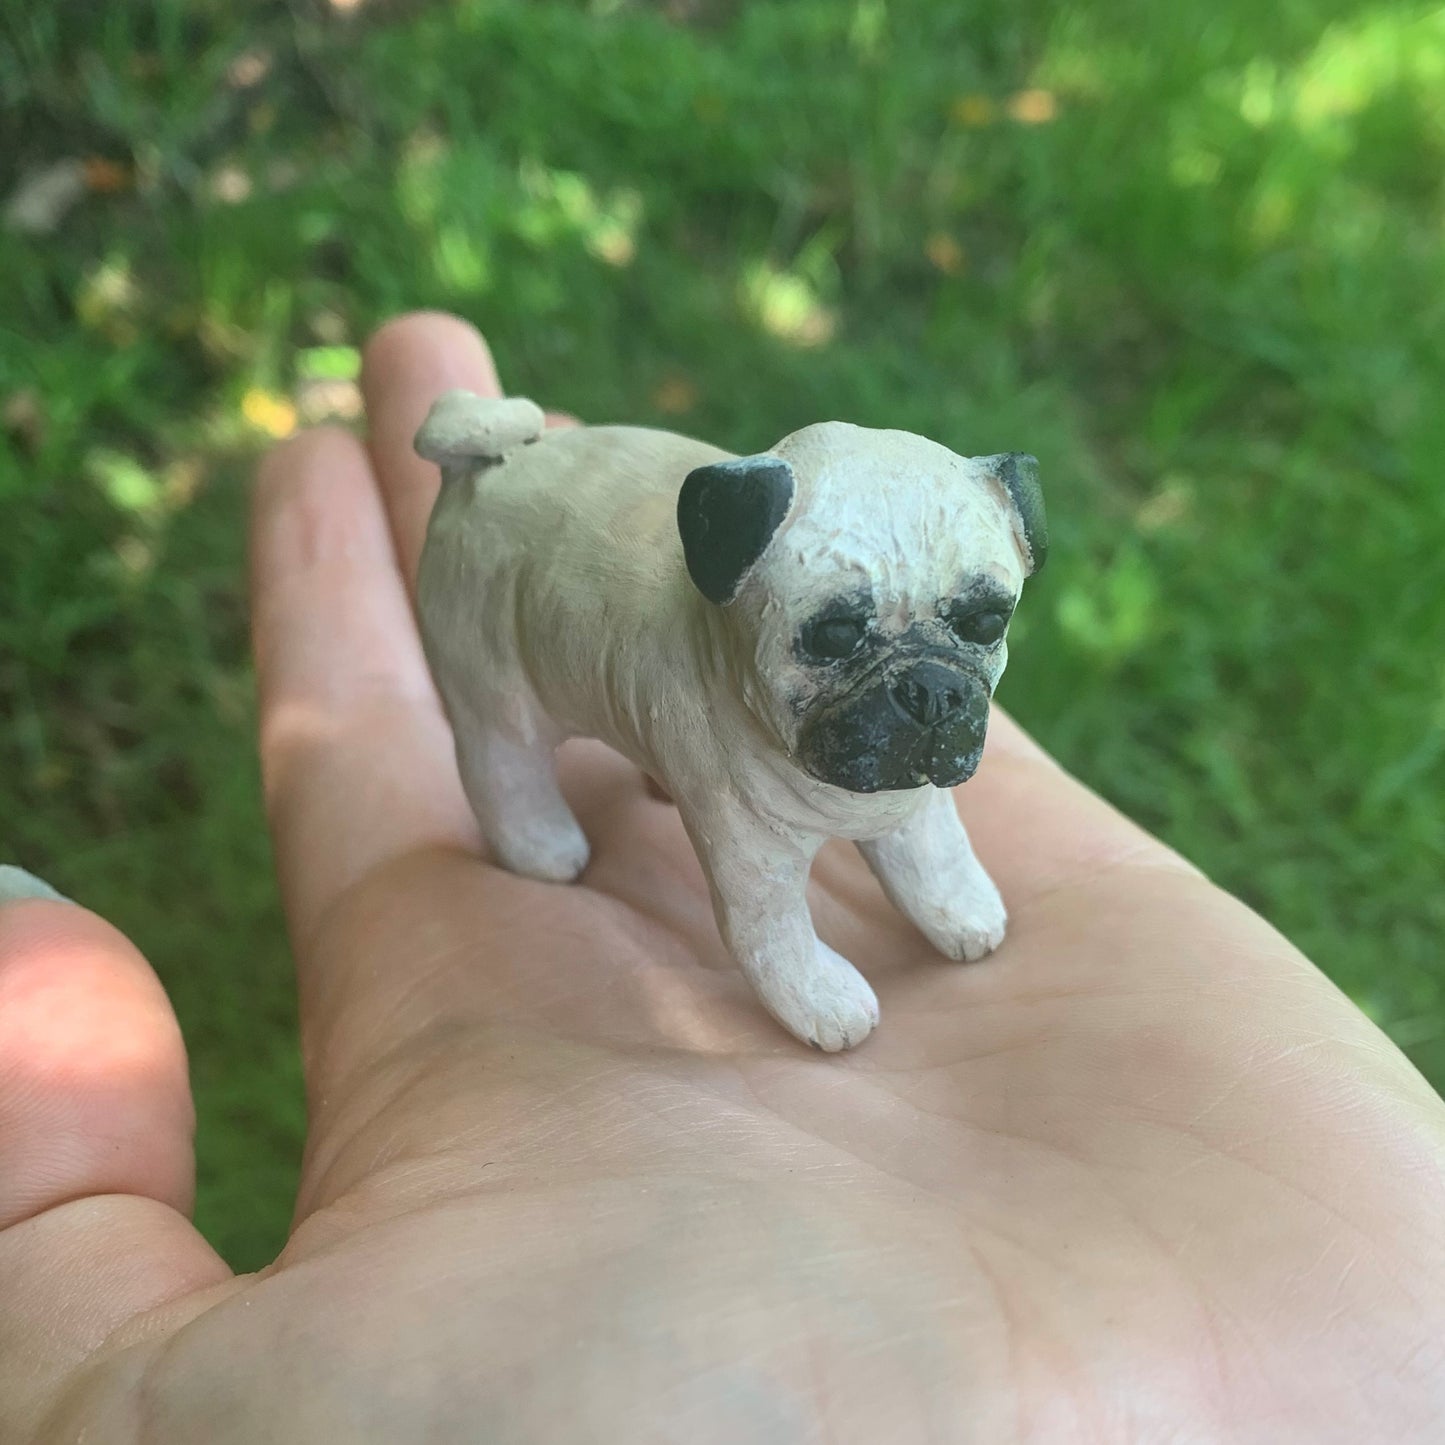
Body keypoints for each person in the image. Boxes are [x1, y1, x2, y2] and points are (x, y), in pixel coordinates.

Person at [2, 313, 1442, 1443]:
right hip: (505, 556)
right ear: (731, 563)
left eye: (974, 624)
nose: (928, 687)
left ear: (1012, 538)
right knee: (508, 726)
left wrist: (931, 859)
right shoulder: (698, 600)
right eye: (832, 636)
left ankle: (896, 825)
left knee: (900, 795)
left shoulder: (862, 595)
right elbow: (759, 879)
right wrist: (805, 956)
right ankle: (512, 792)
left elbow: (910, 777)